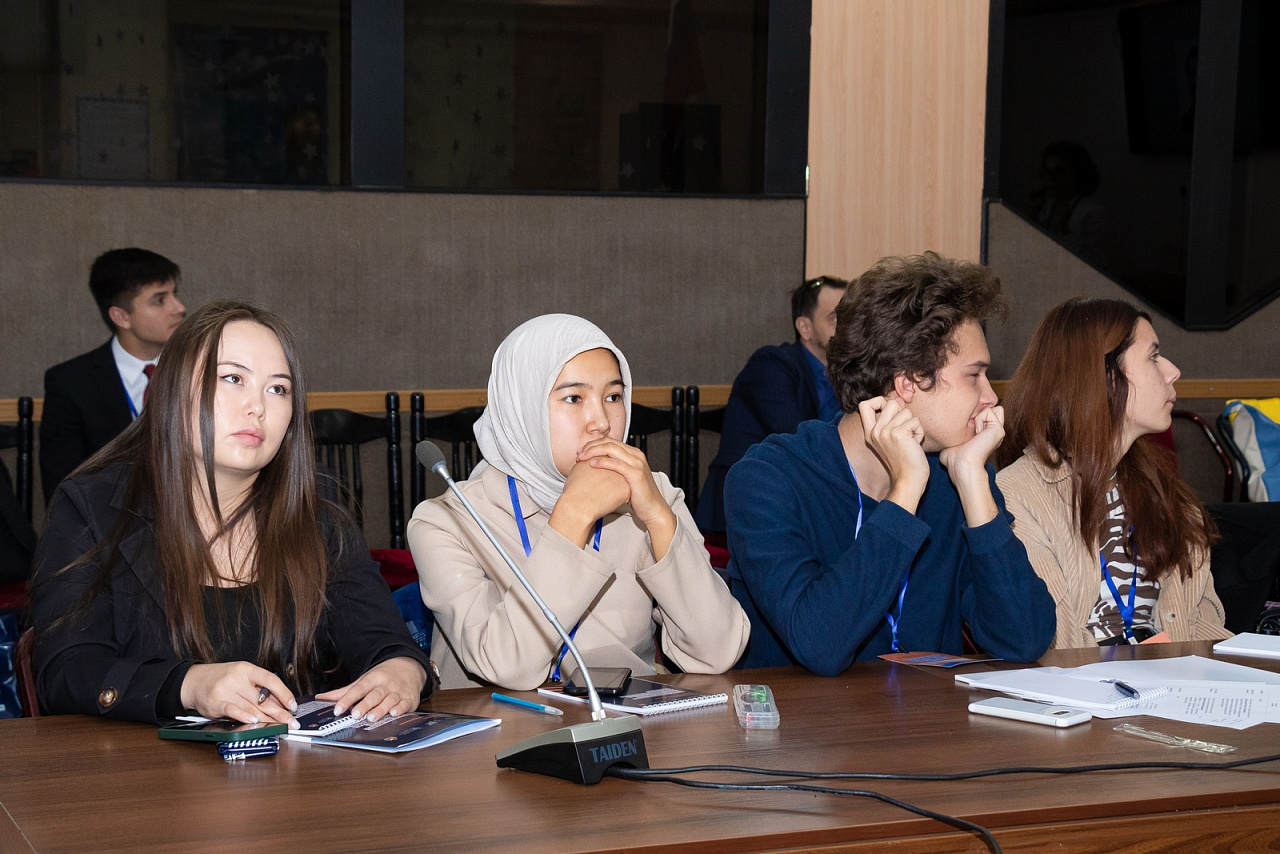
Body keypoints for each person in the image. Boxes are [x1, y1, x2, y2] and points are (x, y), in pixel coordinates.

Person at [30, 301, 432, 724]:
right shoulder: (92, 507)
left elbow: (383, 641)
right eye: (233, 378)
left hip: (296, 761)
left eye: (278, 389)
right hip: (140, 763)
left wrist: (403, 669)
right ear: (172, 389)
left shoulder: (317, 512)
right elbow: (66, 672)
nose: (257, 406)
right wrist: (189, 684)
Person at [725, 252, 1055, 675]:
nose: (991, 398)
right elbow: (819, 645)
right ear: (908, 382)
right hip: (800, 717)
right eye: (974, 375)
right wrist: (906, 488)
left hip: (930, 716)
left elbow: (1024, 639)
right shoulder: (767, 479)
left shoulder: (957, 479)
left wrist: (974, 482)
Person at [408, 313, 749, 690]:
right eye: (573, 398)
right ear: (522, 407)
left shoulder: (651, 495)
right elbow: (507, 667)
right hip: (500, 721)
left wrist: (658, 517)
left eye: (613, 396)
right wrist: (573, 514)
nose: (601, 421)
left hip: (622, 718)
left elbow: (718, 652)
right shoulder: (446, 521)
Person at [996, 297, 1230, 648]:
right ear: (1105, 376)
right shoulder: (1017, 494)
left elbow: (1204, 630)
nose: (1172, 371)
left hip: (1169, 677)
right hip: (1080, 680)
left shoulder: (1169, 496)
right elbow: (1052, 644)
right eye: (1153, 357)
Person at [695, 275, 848, 533]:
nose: (848, 326)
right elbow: (797, 438)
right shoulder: (771, 364)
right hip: (745, 507)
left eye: (851, 316)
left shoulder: (849, 372)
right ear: (805, 327)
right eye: (835, 318)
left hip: (806, 497)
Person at [40, 248, 188, 500]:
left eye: (175, 294)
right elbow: (62, 488)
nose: (180, 308)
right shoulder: (71, 384)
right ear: (121, 316)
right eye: (160, 300)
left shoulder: (199, 368)